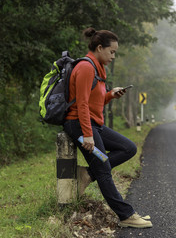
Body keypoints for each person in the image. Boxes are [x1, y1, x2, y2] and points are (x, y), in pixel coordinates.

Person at [63, 27, 152, 228]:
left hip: (95, 124)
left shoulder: (98, 68)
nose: (113, 56)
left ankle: (87, 174)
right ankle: (126, 215)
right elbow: (82, 104)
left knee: (128, 148)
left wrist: (111, 95)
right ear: (100, 47)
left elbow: (95, 101)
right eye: (112, 52)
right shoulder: (86, 67)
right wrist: (87, 135)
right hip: (79, 125)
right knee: (103, 168)